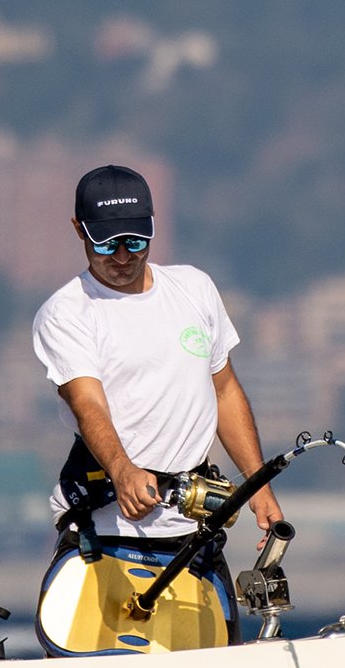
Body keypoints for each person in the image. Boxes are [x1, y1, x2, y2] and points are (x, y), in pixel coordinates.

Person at [31, 164, 282, 562]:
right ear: (79, 230)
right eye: (105, 244)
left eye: (134, 241)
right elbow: (86, 404)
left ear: (152, 226)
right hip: (107, 530)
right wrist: (123, 470)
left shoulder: (195, 288)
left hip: (194, 531)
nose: (121, 256)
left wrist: (258, 485)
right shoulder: (67, 312)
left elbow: (225, 390)